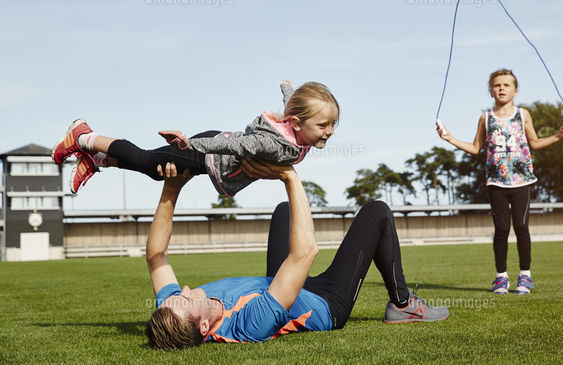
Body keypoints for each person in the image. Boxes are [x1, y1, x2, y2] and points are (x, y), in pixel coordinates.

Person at [145, 158, 449, 350]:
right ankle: (404, 305)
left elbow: (156, 255)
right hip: (325, 303)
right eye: (186, 299)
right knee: (377, 212)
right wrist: (289, 175)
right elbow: (305, 253)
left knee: (284, 210)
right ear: (202, 326)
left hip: (278, 282)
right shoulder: (249, 324)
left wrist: (171, 190)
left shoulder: (171, 311)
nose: (183, 289)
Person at [51, 81, 339, 195]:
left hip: (210, 157)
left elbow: (293, 103)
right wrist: (188, 145)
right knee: (148, 160)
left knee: (154, 172)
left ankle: (97, 160)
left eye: (334, 123)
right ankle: (85, 137)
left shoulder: (298, 130)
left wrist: (287, 88)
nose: (330, 131)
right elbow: (232, 145)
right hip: (209, 151)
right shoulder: (270, 143)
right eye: (324, 124)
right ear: (297, 123)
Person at [437, 69, 563, 295]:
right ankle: (501, 277)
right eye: (497, 85)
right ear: (491, 91)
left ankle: (525, 277)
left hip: (521, 181)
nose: (502, 88)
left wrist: (559, 136)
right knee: (501, 229)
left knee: (521, 227)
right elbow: (475, 148)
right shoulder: (486, 118)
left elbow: (535, 143)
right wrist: (449, 137)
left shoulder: (523, 115)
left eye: (506, 85)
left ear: (515, 90)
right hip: (496, 182)